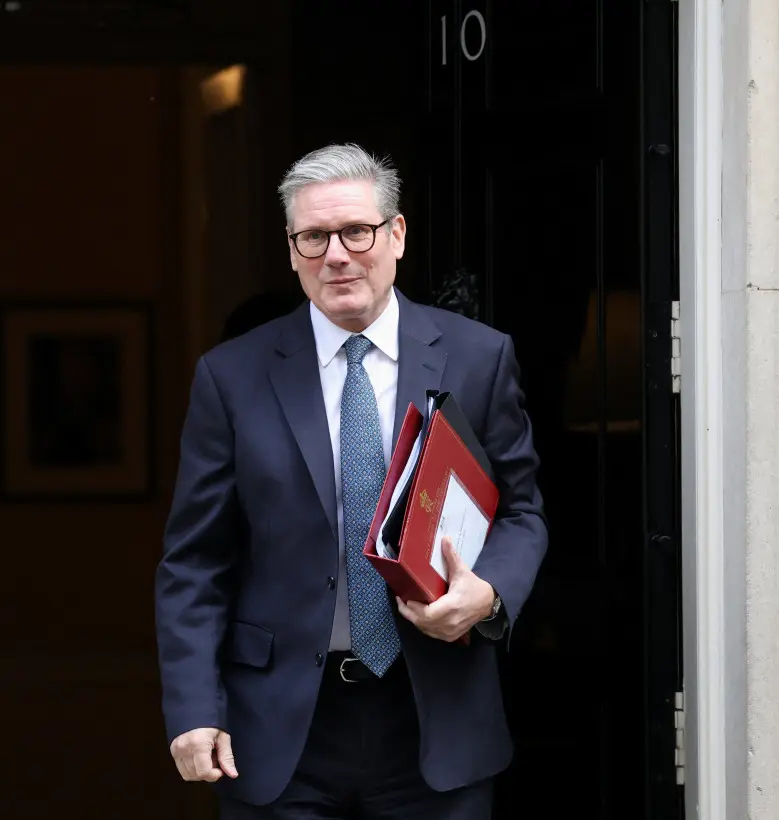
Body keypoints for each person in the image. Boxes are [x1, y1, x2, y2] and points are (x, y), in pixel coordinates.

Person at [154, 143, 549, 819]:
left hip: (435, 719)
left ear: (395, 235)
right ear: (291, 249)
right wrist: (193, 708)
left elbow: (522, 511)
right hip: (279, 732)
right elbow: (195, 561)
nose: (335, 255)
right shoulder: (233, 376)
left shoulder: (479, 358)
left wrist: (487, 594)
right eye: (313, 237)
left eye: (355, 232)